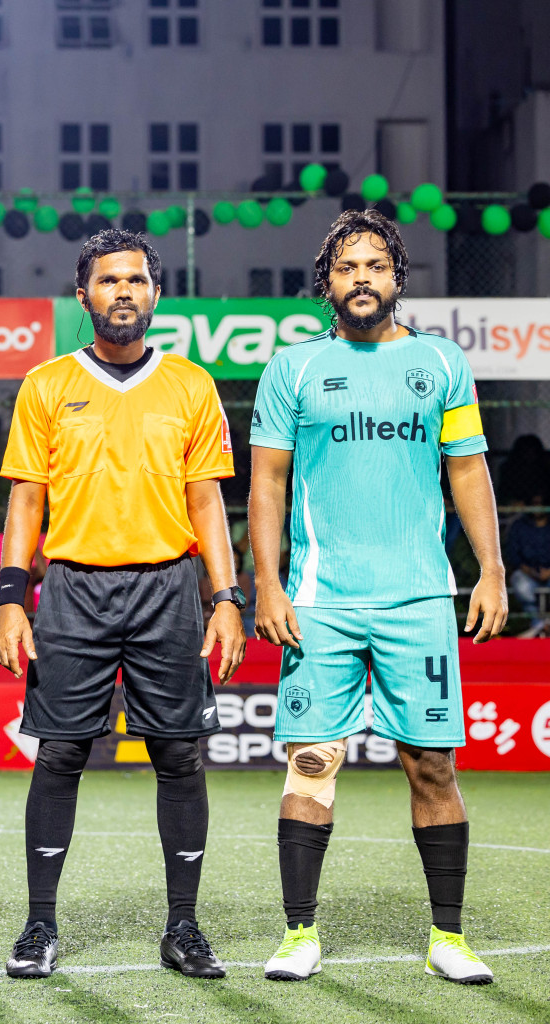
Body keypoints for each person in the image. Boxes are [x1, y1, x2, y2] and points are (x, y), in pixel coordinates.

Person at [250, 209, 508, 984]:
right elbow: (266, 480)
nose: (361, 277)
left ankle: (448, 939)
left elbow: (467, 470)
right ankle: (300, 935)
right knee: (313, 759)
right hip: (320, 601)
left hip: (420, 598)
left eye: (375, 265)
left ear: (397, 277)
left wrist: (489, 569)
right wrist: (268, 581)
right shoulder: (291, 369)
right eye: (346, 267)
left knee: (431, 764)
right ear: (326, 283)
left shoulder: (442, 363)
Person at [0, 228, 244, 981]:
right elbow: (25, 503)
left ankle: (184, 927)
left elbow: (208, 504)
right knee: (62, 753)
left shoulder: (192, 386)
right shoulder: (45, 386)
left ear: (155, 295)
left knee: (178, 755)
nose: (123, 292)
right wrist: (13, 599)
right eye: (108, 281)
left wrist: (226, 599)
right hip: (73, 588)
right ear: (84, 296)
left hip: (169, 588)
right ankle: (39, 925)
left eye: (136, 280)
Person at [504, 496, 550, 636]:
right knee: (519, 581)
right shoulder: (519, 526)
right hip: (528, 573)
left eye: (540, 504)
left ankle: (545, 624)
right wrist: (530, 571)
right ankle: (539, 624)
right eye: (534, 504)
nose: (537, 507)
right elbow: (513, 556)